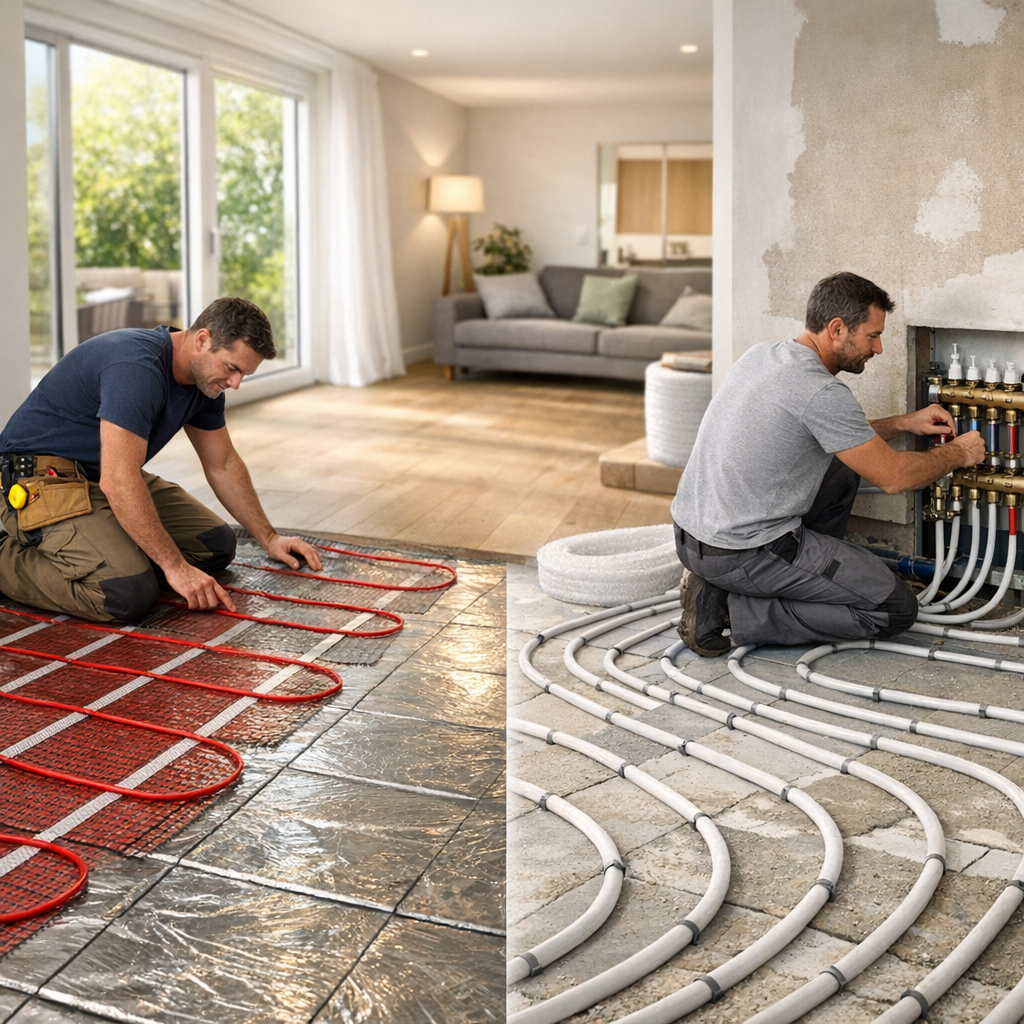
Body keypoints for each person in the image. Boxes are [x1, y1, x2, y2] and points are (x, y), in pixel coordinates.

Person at [672, 271, 986, 656]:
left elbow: (834, 434)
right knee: (894, 609)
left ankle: (768, 582)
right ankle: (728, 610)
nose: (879, 348)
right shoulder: (821, 391)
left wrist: (905, 423)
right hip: (744, 552)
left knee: (842, 467)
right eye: (872, 336)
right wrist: (961, 453)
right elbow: (893, 477)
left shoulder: (765, 355)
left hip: (693, 537)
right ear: (837, 329)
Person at [0, 296, 322, 623]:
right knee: (125, 594)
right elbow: (120, 478)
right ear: (202, 340)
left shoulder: (205, 384)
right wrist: (175, 568)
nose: (235, 383)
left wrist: (268, 537)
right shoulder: (136, 367)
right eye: (232, 368)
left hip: (101, 478)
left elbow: (221, 463)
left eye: (244, 374)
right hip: (40, 480)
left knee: (215, 545)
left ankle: (109, 548)